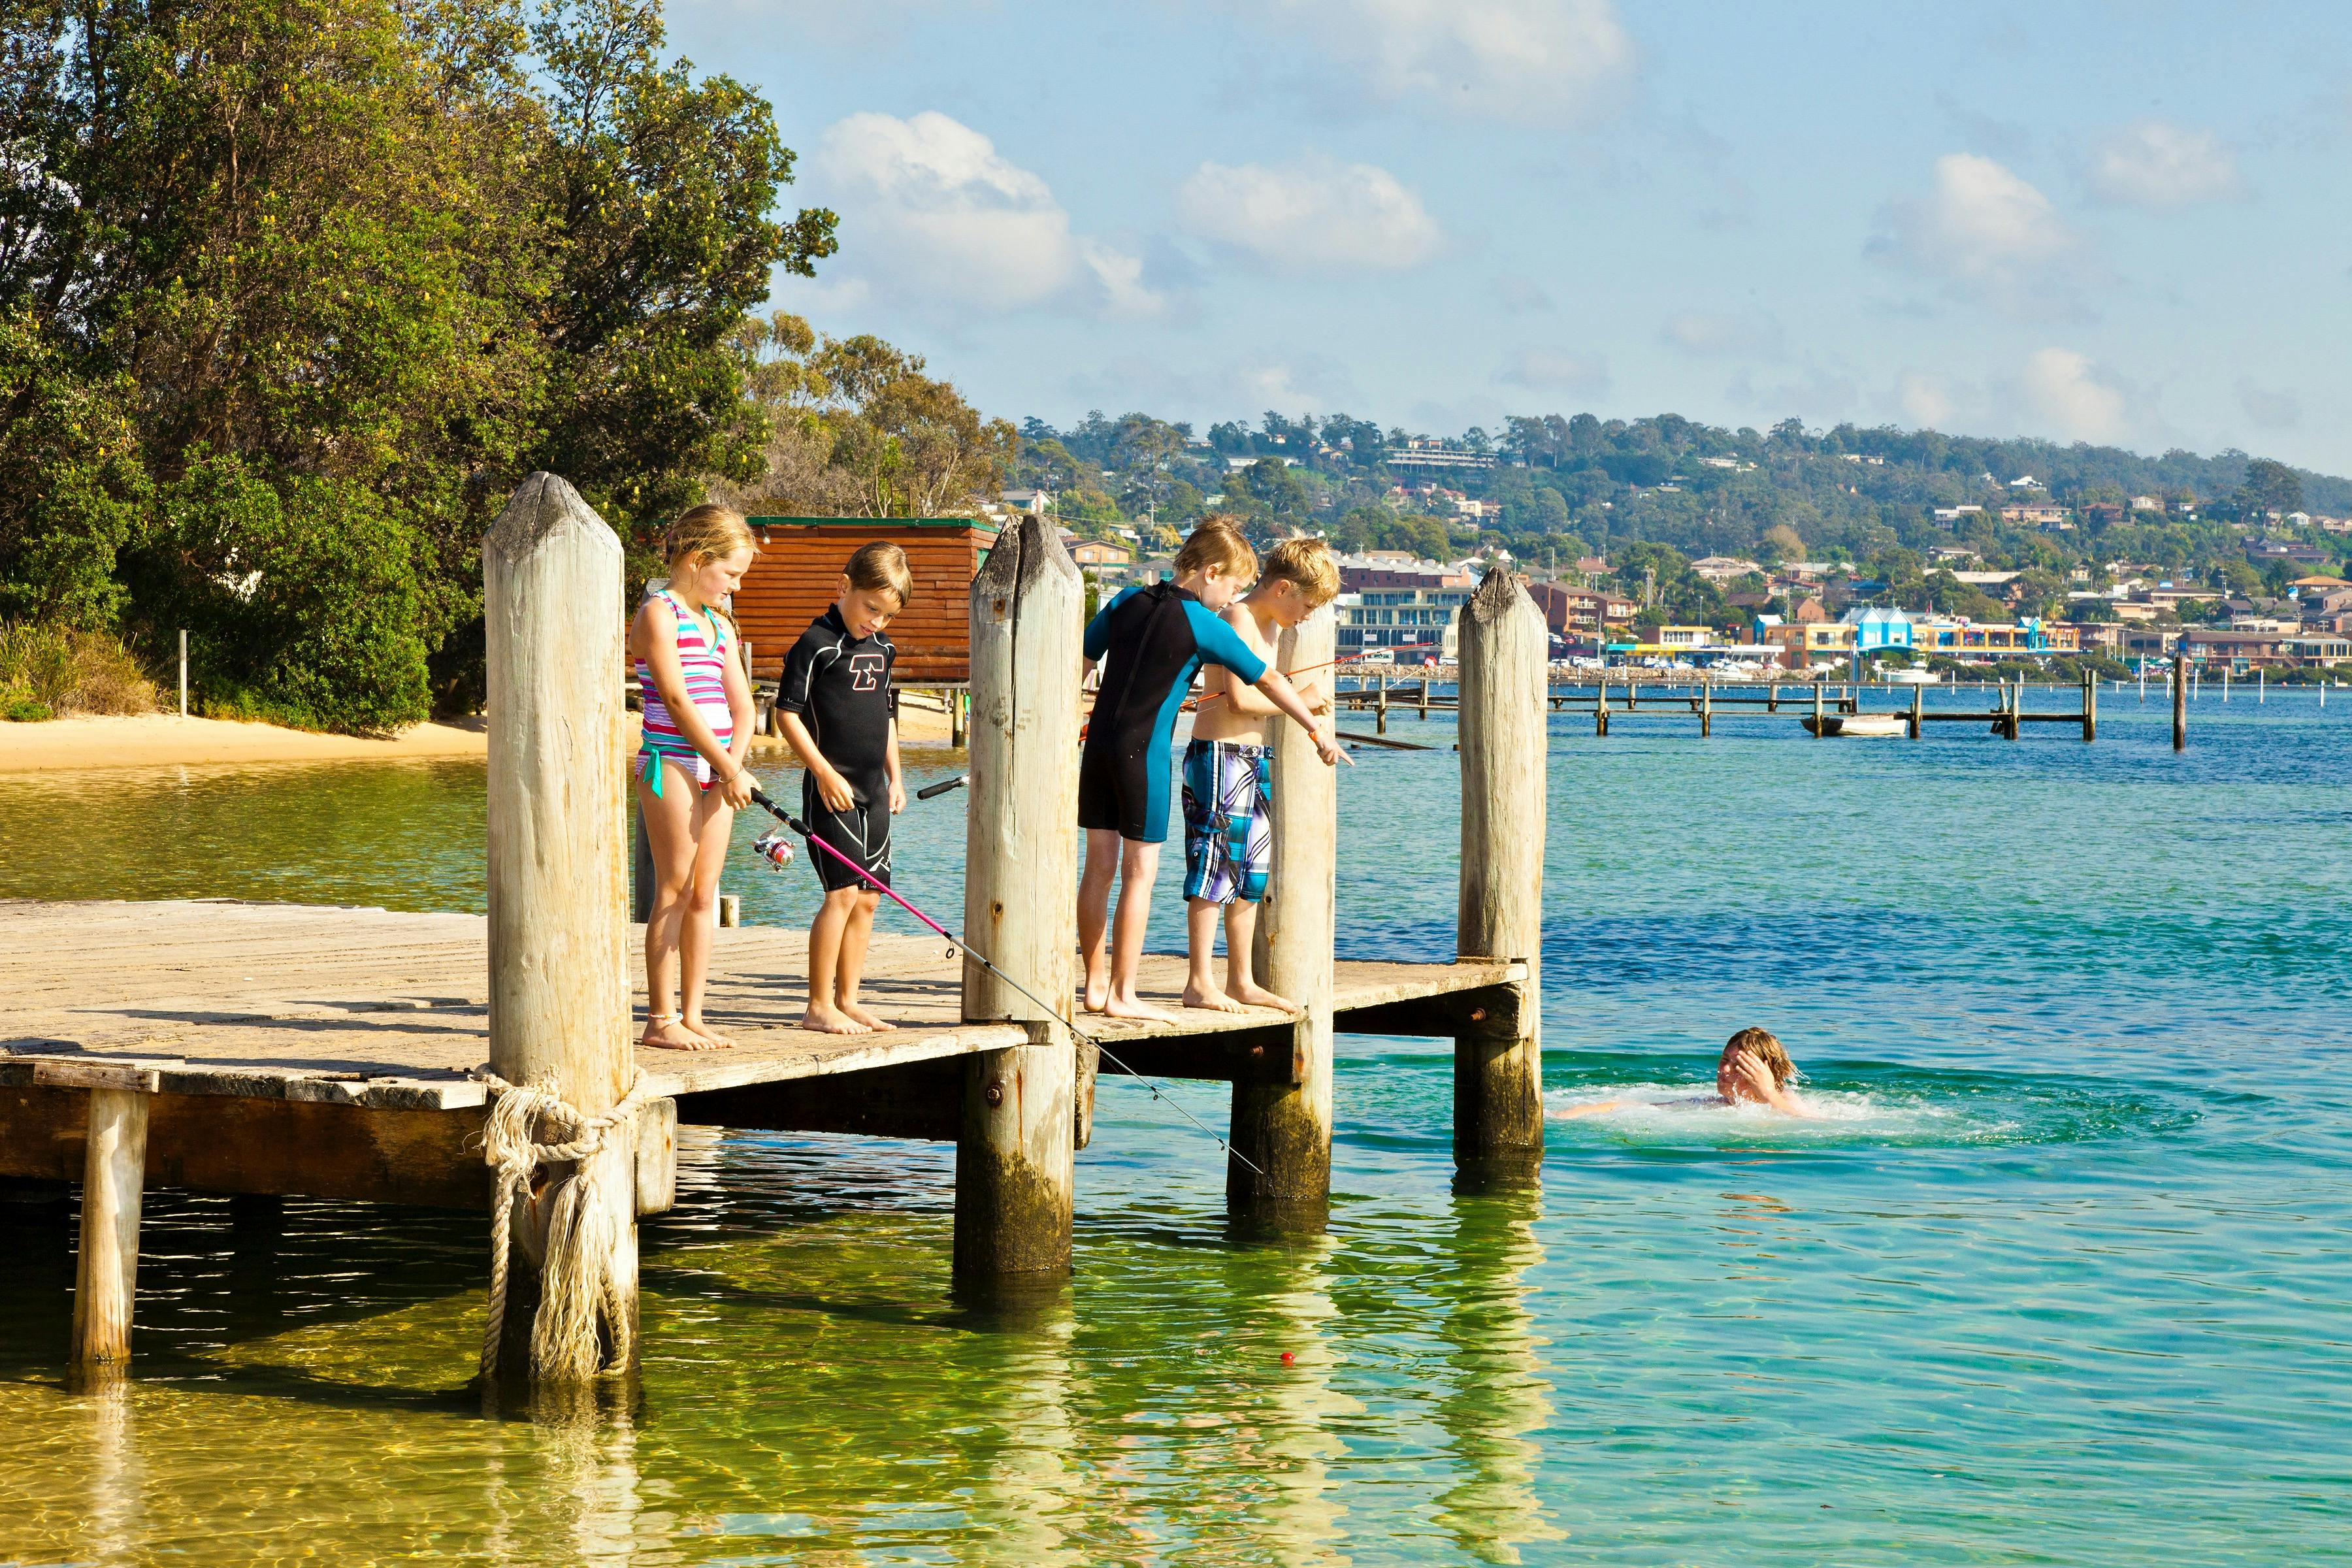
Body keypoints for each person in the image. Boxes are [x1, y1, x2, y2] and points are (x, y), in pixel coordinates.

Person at [1077, 519, 1347, 1022]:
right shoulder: (1205, 624)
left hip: (1098, 752)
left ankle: (1095, 986)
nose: (1233, 595)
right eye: (1233, 585)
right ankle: (1123, 994)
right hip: (1145, 761)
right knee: (1140, 874)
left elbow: (1083, 659)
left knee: (1098, 867)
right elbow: (1266, 680)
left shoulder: (1124, 600)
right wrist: (1315, 727)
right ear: (1209, 572)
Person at [1180, 536, 1340, 1013]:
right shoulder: (1238, 619)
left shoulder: (1270, 627)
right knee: (1213, 870)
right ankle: (1199, 982)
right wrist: (1302, 701)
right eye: (1307, 606)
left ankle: (1241, 980)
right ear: (1284, 589)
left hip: (1252, 759)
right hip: (1219, 758)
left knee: (1250, 876)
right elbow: (1239, 699)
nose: (1308, 616)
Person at [631, 504, 759, 1051]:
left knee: (705, 893)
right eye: (729, 574)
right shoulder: (658, 613)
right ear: (696, 559)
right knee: (674, 888)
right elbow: (679, 702)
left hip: (718, 767)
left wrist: (734, 760)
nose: (734, 587)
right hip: (672, 761)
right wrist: (728, 766)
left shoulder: (718, 623)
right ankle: (660, 1019)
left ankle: (694, 1014)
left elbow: (745, 707)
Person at [774, 541, 909, 1035]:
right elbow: (786, 715)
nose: (876, 622)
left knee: (869, 897)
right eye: (871, 608)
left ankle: (849, 999)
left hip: (874, 791)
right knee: (841, 893)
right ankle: (817, 1005)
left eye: (888, 616)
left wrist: (896, 776)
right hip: (831, 790)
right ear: (844, 586)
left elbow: (887, 717)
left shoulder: (883, 650)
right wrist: (824, 773)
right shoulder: (816, 643)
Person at [1557, 1027, 1814, 1118]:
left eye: (1738, 1066)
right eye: (1724, 1060)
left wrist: (1769, 1093)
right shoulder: (1718, 1105)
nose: (1723, 1070)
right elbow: (1635, 1106)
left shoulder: (1785, 1103)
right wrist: (1566, 1114)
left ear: (1763, 1072)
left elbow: (1814, 1127)